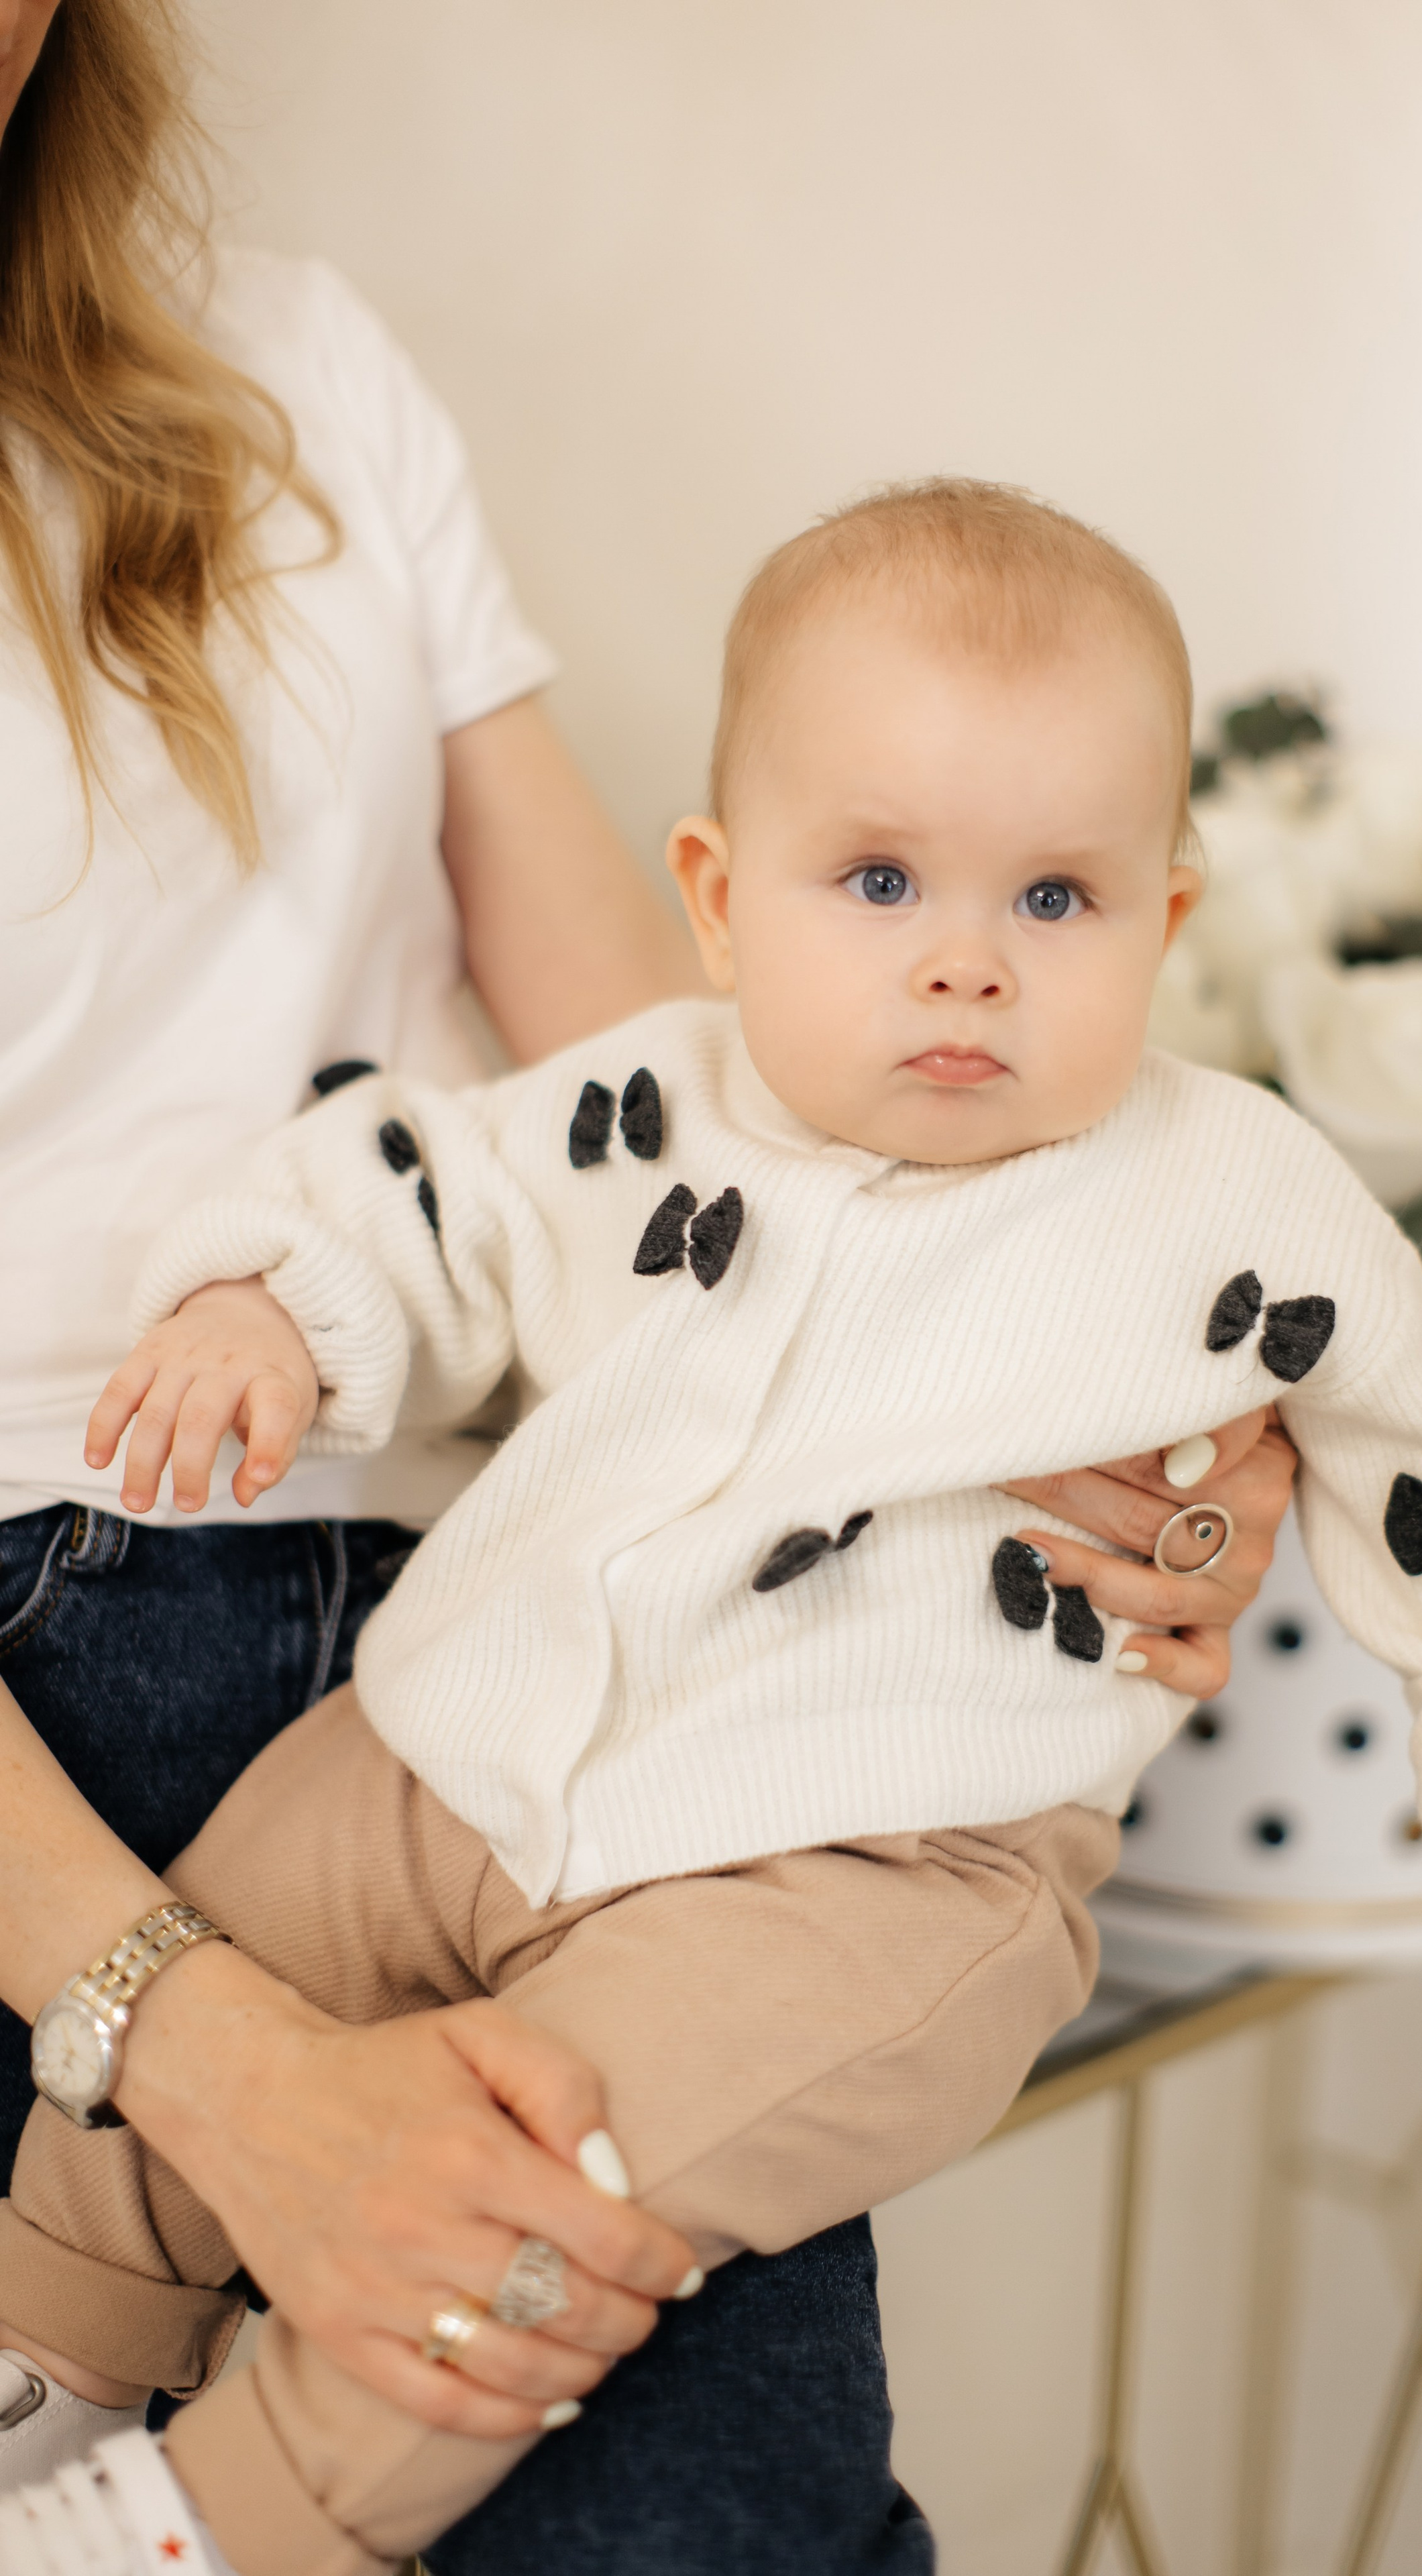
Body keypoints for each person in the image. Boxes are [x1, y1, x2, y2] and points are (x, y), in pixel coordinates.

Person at [0, 479, 1422, 2576]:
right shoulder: (653, 1098)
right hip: (457, 1728)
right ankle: (58, 2341)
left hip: (857, 1864)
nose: (967, 967)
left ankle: (207, 2530)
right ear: (721, 898)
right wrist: (282, 1306)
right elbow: (441, 1199)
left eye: (1057, 902)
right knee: (242, 1901)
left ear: (1166, 926)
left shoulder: (1221, 1194)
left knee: (574, 2178)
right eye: (881, 880)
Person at [0, 7, 1297, 2570]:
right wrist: (206, 2052)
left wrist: (1096, 1403)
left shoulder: (297, 372)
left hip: (557, 1641)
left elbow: (676, 1084)